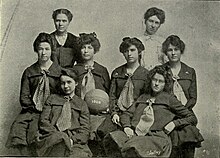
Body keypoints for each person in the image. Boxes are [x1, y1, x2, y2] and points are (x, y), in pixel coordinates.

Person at [104, 66, 202, 157]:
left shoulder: (169, 99)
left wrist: (174, 123)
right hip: (135, 133)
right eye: (154, 80)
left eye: (161, 81)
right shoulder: (143, 97)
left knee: (134, 146)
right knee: (113, 138)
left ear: (165, 84)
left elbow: (191, 117)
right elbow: (126, 114)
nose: (156, 84)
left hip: (156, 137)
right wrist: (127, 127)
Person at [5, 32, 62, 156]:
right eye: (40, 49)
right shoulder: (29, 72)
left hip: (53, 111)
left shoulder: (59, 72)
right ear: (36, 50)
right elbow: (24, 97)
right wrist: (35, 108)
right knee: (19, 129)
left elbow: (62, 95)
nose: (43, 52)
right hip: (33, 110)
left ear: (52, 50)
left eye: (47, 49)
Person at [97, 37, 149, 145]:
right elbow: (112, 96)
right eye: (126, 51)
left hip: (136, 115)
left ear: (139, 51)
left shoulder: (146, 75)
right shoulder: (117, 72)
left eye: (132, 50)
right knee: (104, 134)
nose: (129, 54)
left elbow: (144, 100)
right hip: (118, 113)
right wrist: (114, 113)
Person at [162, 35, 203, 158]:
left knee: (190, 135)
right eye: (170, 50)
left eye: (176, 49)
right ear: (166, 52)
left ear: (181, 51)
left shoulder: (189, 71)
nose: (173, 53)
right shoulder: (160, 70)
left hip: (185, 114)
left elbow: (193, 97)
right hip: (167, 114)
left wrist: (183, 111)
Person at [36, 69, 92, 157]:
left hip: (74, 141)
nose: (66, 86)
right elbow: (43, 121)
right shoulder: (52, 99)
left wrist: (71, 140)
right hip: (52, 137)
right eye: (63, 83)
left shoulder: (81, 104)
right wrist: (58, 136)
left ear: (76, 83)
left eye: (69, 82)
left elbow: (84, 129)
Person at [72, 32, 110, 156]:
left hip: (98, 114)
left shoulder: (102, 70)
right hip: (79, 112)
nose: (86, 51)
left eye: (89, 47)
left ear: (95, 50)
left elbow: (108, 92)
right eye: (83, 47)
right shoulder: (74, 70)